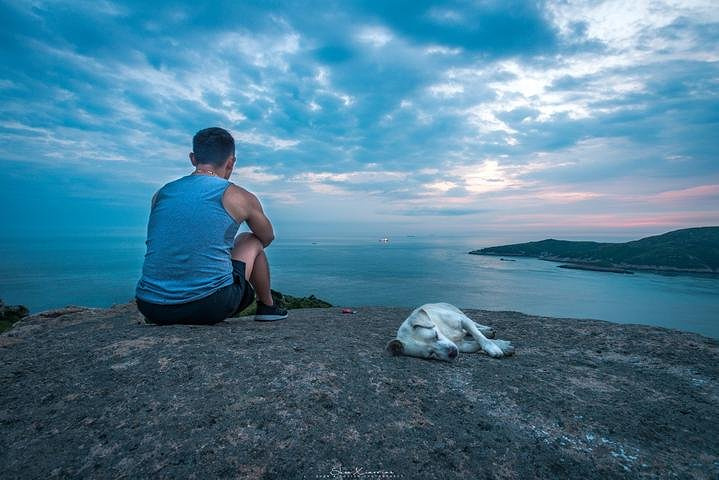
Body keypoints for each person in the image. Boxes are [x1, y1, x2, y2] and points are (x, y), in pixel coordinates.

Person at [135, 127, 288, 324]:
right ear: (231, 162)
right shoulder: (238, 195)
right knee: (249, 238)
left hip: (152, 307)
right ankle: (267, 307)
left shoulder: (162, 193)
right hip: (211, 305)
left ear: (193, 158)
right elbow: (267, 237)